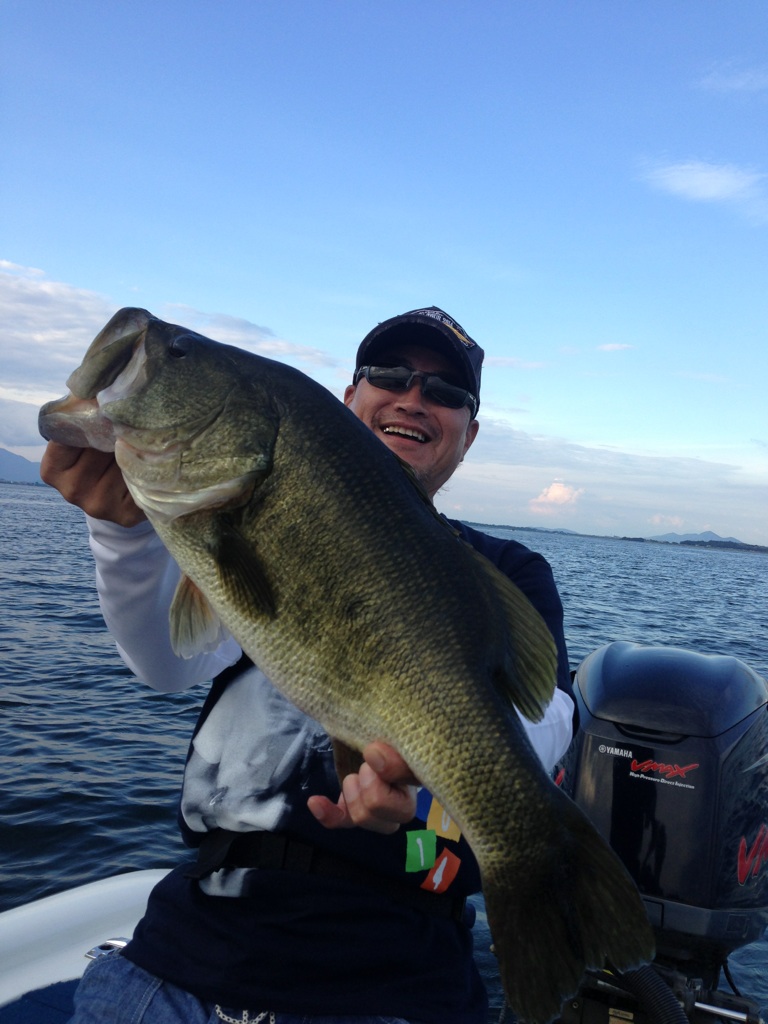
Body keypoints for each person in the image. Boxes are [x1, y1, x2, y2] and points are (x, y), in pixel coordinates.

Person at [42, 306, 576, 1024]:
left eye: (446, 391)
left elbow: (547, 723)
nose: (413, 397)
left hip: (396, 978)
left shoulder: (507, 569)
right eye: (389, 374)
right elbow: (169, 664)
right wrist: (120, 532)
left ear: (468, 435)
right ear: (349, 398)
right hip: (183, 955)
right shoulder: (243, 508)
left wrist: (422, 770)